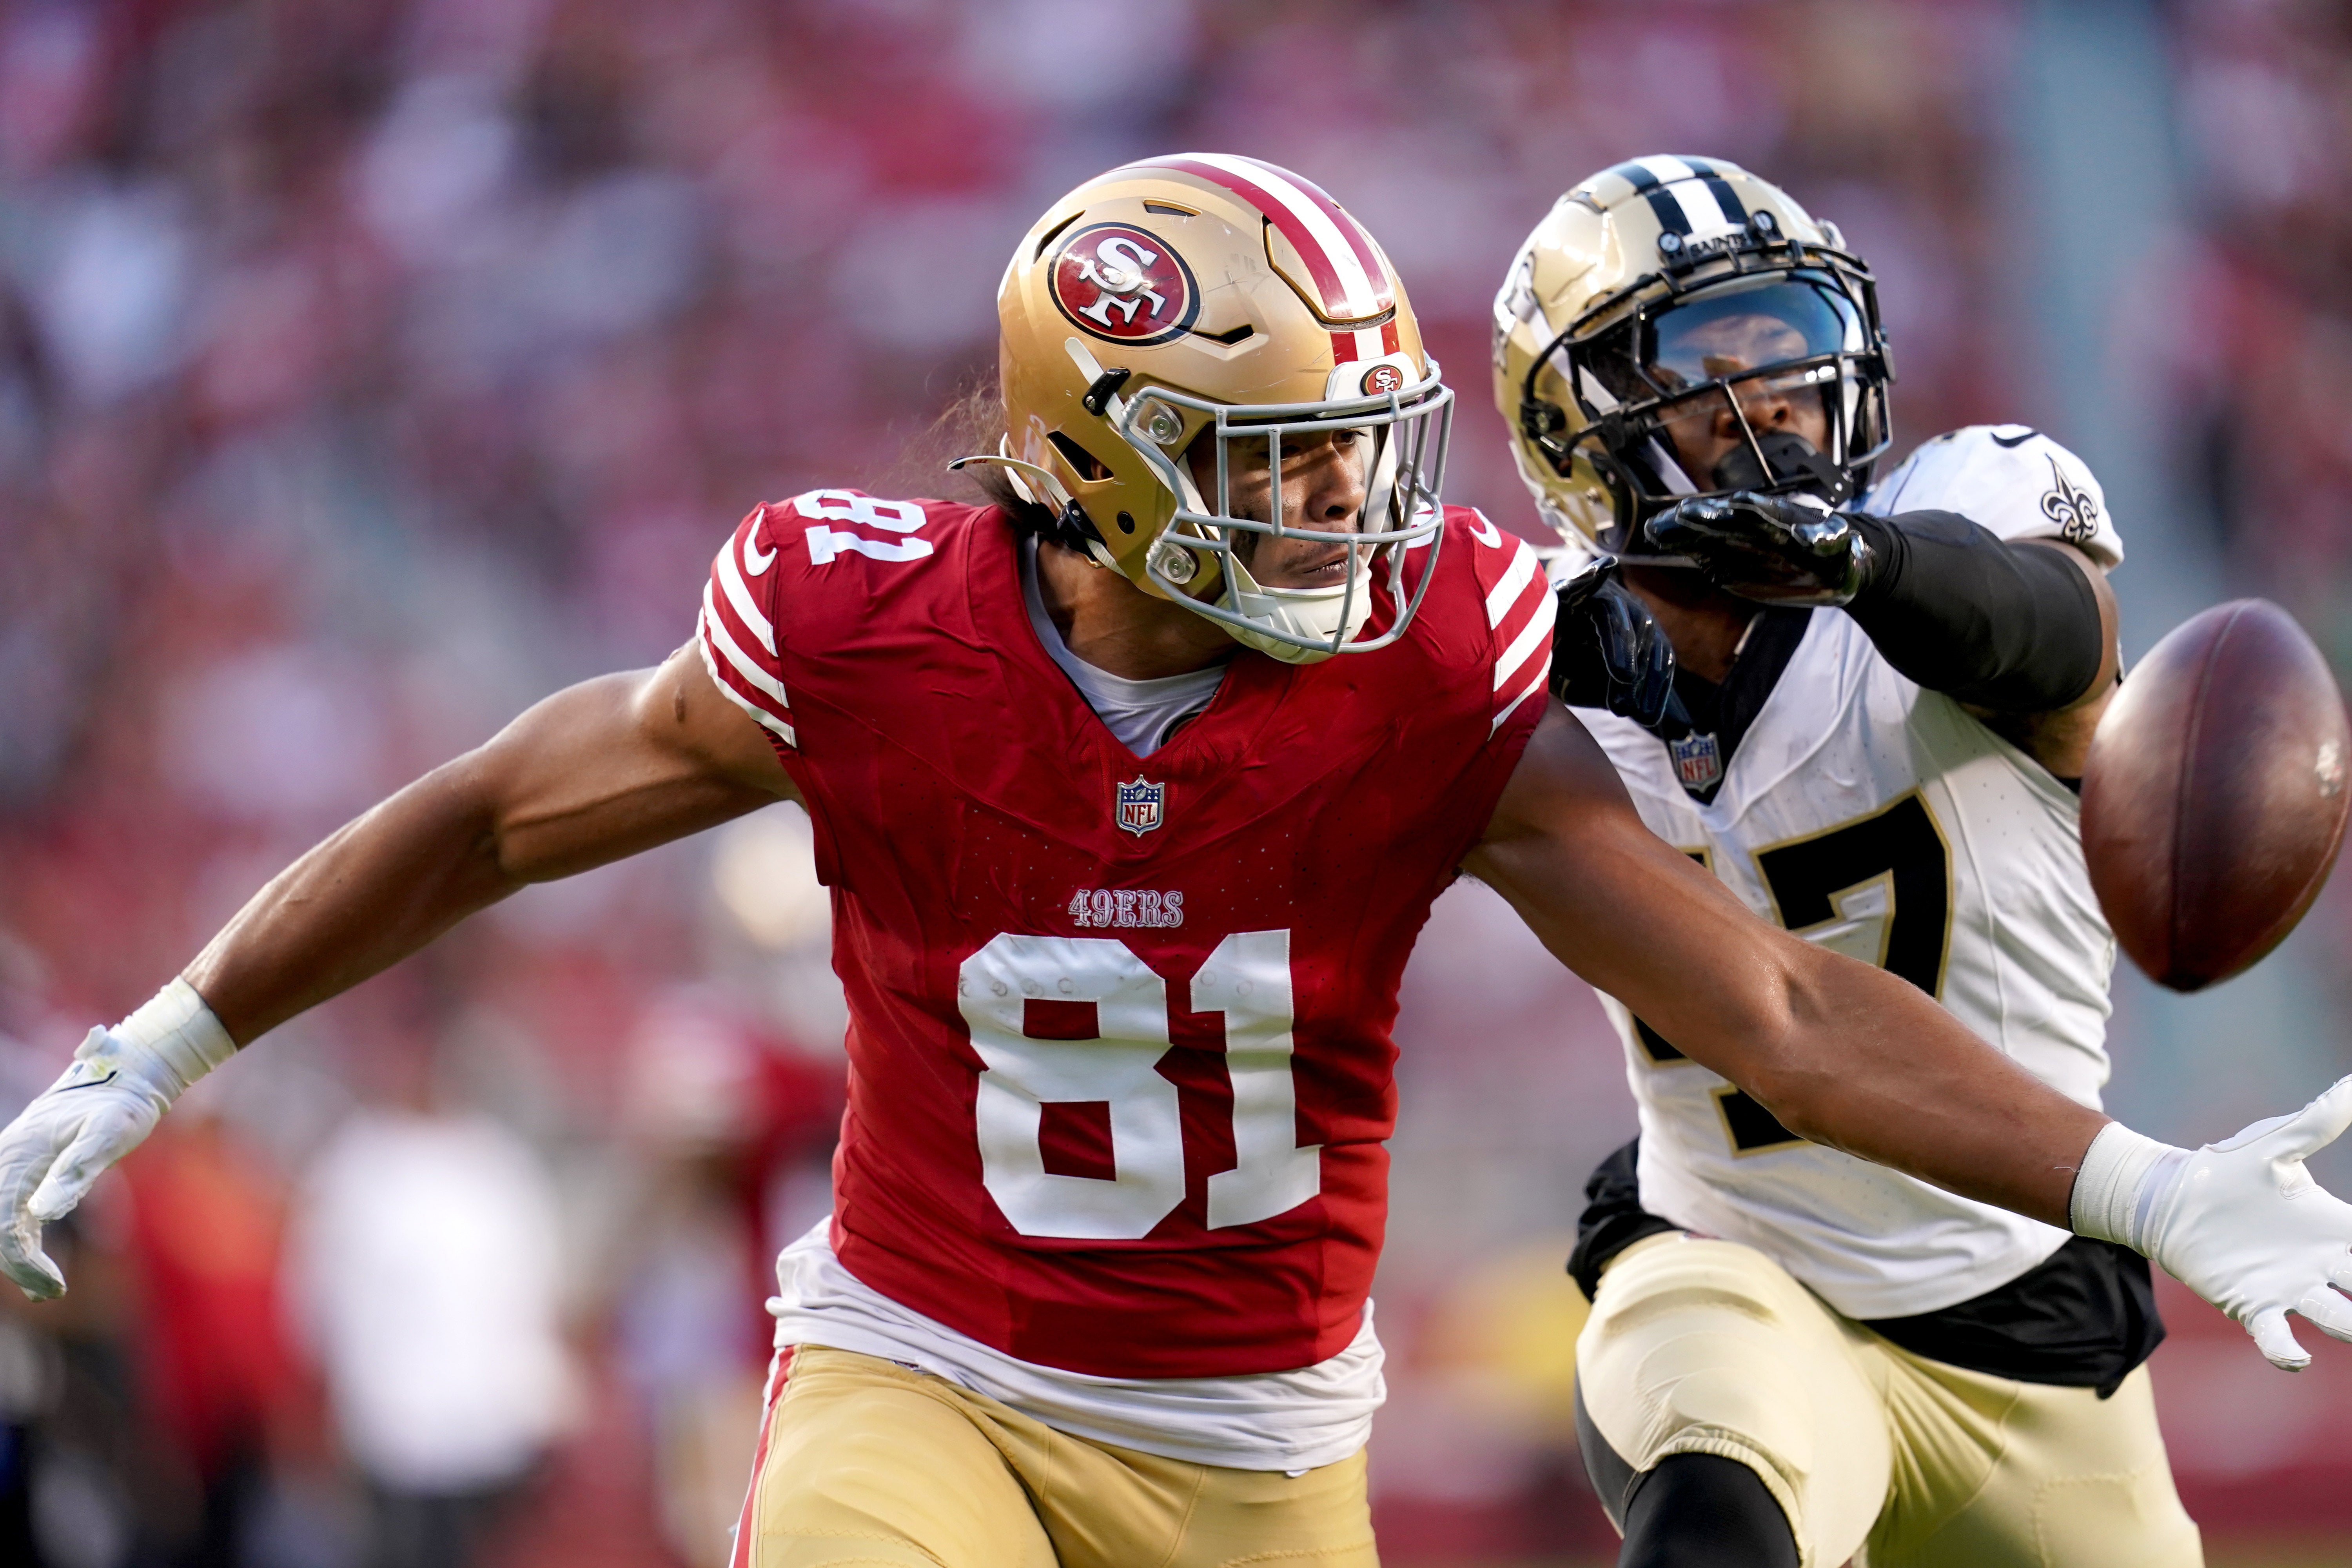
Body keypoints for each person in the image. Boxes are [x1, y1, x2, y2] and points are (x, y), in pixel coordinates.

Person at [2, 153, 2348, 1568]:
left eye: (1364, 450)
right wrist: (173, 1033)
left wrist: (2143, 1184)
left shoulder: (1437, 667)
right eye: (1290, 460)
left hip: (1252, 1438)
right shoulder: (862, 628)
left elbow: (1782, 1009)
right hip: (916, 1355)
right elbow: (503, 809)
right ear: (1097, 464)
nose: (1357, 508)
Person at [1494, 153, 2221, 1568]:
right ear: (1584, 429)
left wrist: (1861, 566)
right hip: (1731, 1260)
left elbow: (2055, 634)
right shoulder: (1525, 656)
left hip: (2026, 1297)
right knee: (1717, 1515)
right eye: (1707, 364)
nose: (1768, 397)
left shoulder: (1962, 510)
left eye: (1790, 346)